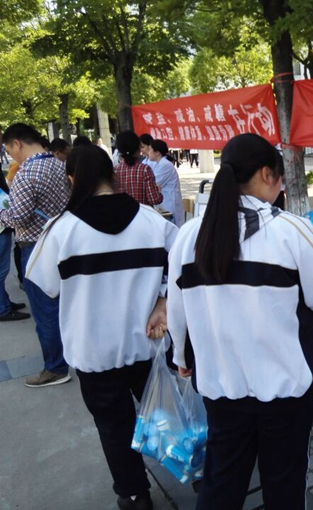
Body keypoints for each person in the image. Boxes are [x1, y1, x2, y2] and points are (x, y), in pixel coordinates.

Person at [167, 133, 313, 510]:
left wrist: (182, 359)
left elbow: (177, 307)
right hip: (285, 387)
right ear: (268, 174)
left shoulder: (189, 234)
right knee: (283, 481)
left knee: (222, 478)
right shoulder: (291, 230)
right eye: (281, 177)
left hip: (221, 382)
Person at [25, 145, 177, 510]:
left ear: (72, 178)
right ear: (112, 173)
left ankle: (136, 495)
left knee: (113, 426)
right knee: (166, 413)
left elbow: (44, 284)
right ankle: (197, 468)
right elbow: (184, 266)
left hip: (93, 350)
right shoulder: (152, 220)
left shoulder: (60, 230)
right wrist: (162, 299)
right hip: (148, 343)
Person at [0, 123, 71, 387]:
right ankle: (71, 355)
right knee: (65, 306)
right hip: (63, 243)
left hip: (36, 249)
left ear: (17, 143)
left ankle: (55, 368)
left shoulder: (26, 173)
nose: (10, 155)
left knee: (45, 311)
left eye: (9, 149)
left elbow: (18, 217)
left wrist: (2, 213)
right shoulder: (59, 164)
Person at [0, 169, 30, 321]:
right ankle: (2, 308)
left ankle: (4, 303)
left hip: (3, 224)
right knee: (1, 270)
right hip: (1, 225)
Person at [114, 131, 163, 207]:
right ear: (138, 148)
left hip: (122, 213)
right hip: (142, 213)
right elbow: (154, 199)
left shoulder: (114, 171)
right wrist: (158, 192)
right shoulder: (145, 169)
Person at [147, 139, 184, 227]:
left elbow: (154, 183)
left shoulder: (165, 165)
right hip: (165, 200)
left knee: (172, 227)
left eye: (150, 150)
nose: (148, 153)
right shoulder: (159, 164)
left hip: (169, 200)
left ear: (157, 152)